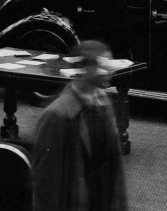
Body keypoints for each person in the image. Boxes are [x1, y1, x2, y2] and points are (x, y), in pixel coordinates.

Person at [30, 40, 127, 211]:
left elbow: (115, 172)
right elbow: (45, 184)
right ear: (85, 68)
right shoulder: (56, 115)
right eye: (102, 66)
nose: (108, 72)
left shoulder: (104, 103)